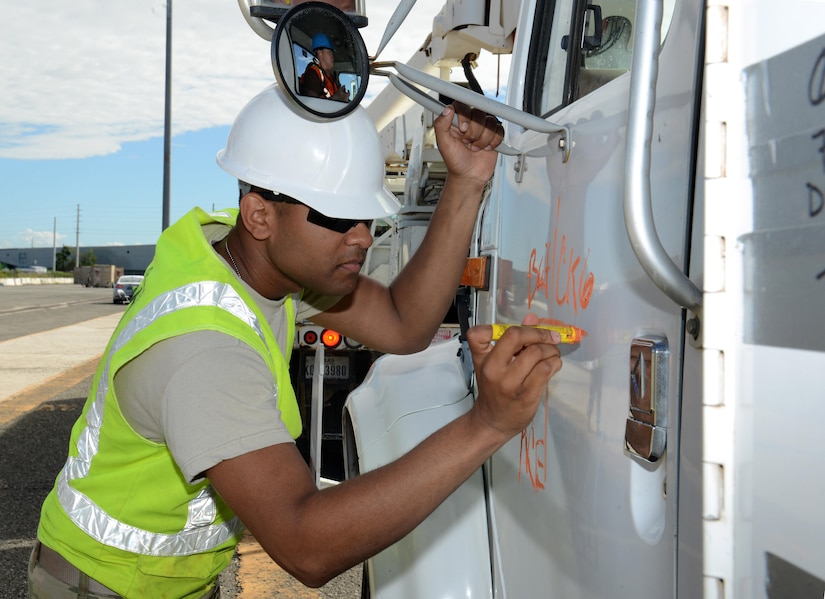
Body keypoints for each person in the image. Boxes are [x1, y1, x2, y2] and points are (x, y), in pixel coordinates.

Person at [28, 83, 563, 598]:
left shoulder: (248, 260)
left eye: (366, 217)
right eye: (336, 218)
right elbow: (305, 545)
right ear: (260, 214)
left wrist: (466, 182)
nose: (362, 237)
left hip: (161, 581)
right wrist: (487, 425)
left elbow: (404, 321)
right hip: (104, 585)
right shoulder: (204, 350)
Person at [299, 32, 349, 102]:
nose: (332, 56)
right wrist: (336, 97)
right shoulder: (312, 73)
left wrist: (343, 98)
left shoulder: (331, 78)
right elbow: (313, 103)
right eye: (329, 52)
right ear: (320, 53)